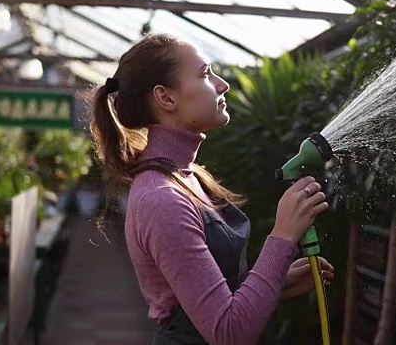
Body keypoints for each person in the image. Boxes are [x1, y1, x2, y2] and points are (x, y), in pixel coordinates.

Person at [90, 32, 334, 345]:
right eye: (205, 74)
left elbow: (207, 298)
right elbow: (229, 332)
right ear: (166, 98)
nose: (222, 84)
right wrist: (283, 235)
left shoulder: (186, 176)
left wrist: (278, 282)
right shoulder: (162, 199)